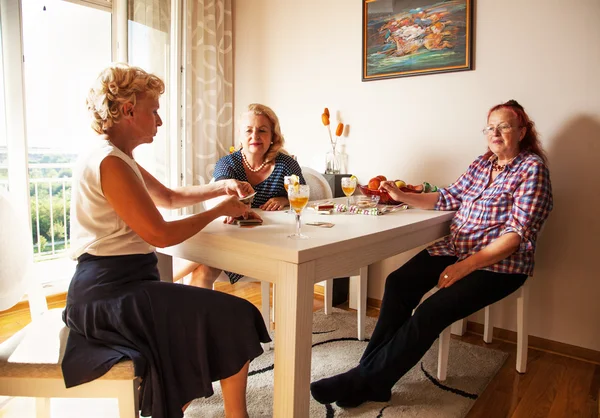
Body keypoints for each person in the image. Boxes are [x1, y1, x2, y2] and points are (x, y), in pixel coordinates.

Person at [310, 99, 553, 408]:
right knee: (398, 283)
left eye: (504, 126)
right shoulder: (482, 163)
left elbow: (515, 237)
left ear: (521, 131)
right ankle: (371, 377)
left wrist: (465, 267)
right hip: (457, 249)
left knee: (431, 311)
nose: (496, 133)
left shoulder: (532, 169)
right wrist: (402, 195)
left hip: (499, 265)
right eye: (490, 127)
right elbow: (448, 197)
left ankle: (364, 380)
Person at [61, 63, 271, 418]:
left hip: (122, 285)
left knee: (212, 318)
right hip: (108, 295)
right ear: (129, 110)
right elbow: (158, 233)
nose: (159, 121)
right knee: (237, 315)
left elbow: (170, 197)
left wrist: (221, 187)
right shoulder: (109, 162)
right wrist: (220, 208)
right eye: (154, 111)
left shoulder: (117, 156)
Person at [173, 103, 305, 288]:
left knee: (201, 257)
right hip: (232, 243)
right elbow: (221, 188)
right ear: (240, 136)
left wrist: (283, 200)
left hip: (275, 245)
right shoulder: (228, 163)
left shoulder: (286, 165)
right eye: (248, 130)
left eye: (262, 130)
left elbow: (303, 195)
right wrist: (226, 206)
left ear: (273, 136)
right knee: (202, 270)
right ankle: (176, 301)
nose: (255, 136)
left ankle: (159, 283)